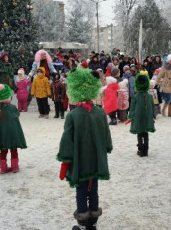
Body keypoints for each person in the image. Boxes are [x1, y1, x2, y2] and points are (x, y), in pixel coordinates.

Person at [57, 68, 112, 230]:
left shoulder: (73, 116)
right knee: (93, 189)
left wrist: (65, 159)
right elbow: (107, 136)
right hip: (96, 160)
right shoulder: (100, 113)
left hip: (80, 162)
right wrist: (105, 149)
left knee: (81, 191)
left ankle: (82, 225)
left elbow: (67, 141)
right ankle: (92, 223)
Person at [0, 84, 27, 174]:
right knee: (13, 150)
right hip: (12, 135)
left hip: (2, 136)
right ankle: (15, 167)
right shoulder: (12, 108)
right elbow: (17, 115)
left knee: (3, 151)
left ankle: (3, 168)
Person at [126, 73, 155, 157]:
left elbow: (132, 108)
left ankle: (140, 150)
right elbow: (152, 108)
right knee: (145, 133)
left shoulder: (135, 97)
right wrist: (153, 116)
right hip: (147, 118)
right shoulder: (149, 96)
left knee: (139, 133)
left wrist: (130, 117)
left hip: (138, 118)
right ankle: (146, 150)